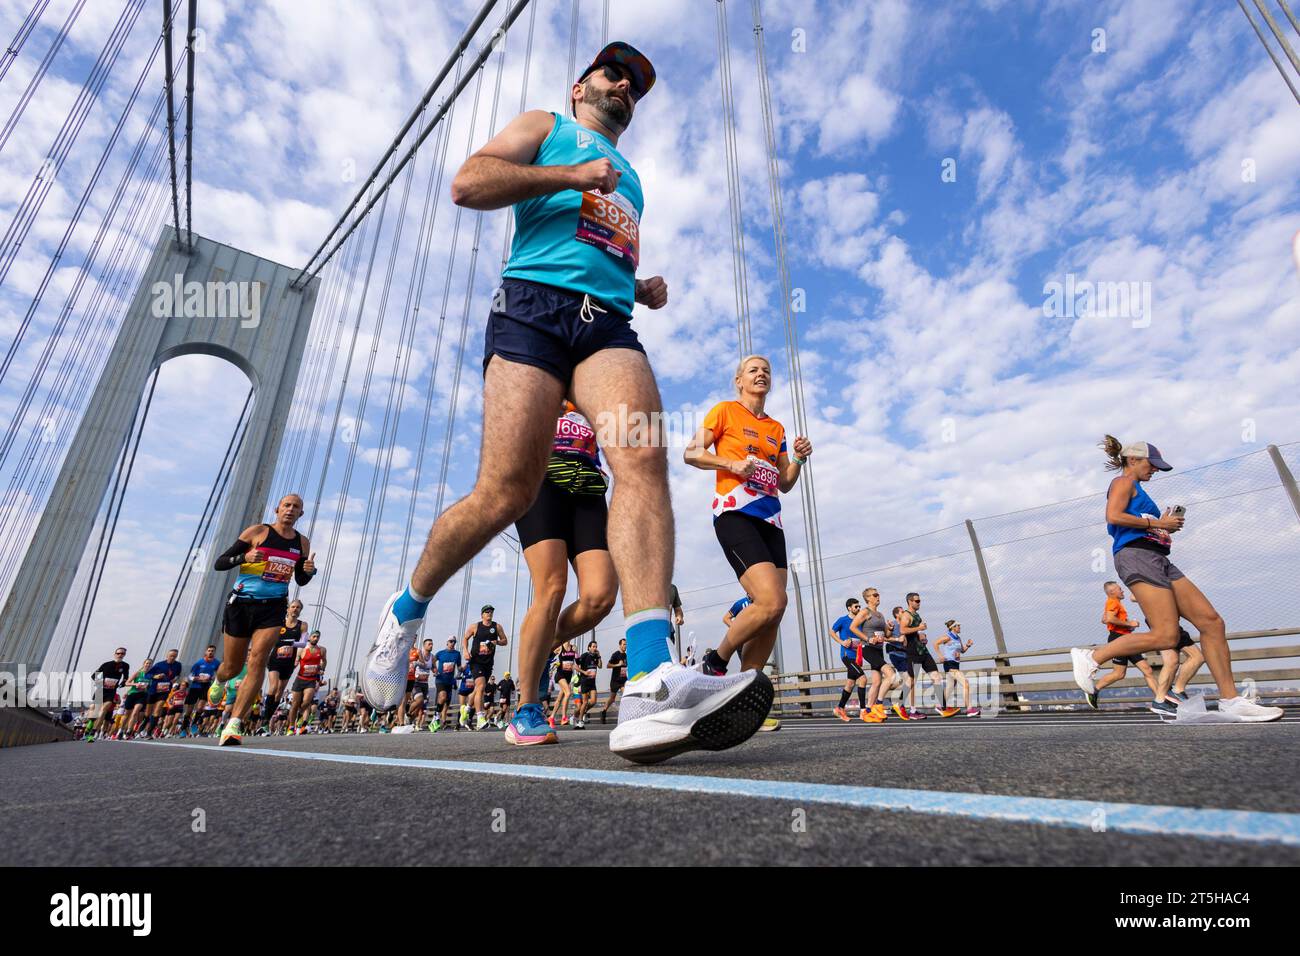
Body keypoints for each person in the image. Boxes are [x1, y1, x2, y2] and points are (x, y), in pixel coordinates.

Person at [361, 42, 769, 764]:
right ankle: (407, 610)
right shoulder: (545, 124)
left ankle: (648, 678)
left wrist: (636, 287)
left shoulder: (633, 179)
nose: (624, 87)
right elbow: (468, 183)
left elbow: (597, 244)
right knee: (504, 491)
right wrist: (569, 171)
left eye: (636, 86)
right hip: (529, 311)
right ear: (580, 86)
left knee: (641, 457)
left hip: (608, 326)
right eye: (613, 74)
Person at [1071, 438, 1281, 721]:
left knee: (1211, 622)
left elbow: (1139, 523)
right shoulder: (1123, 484)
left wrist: (1163, 530)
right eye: (1151, 465)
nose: (1154, 470)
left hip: (1156, 557)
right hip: (1137, 558)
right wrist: (1158, 523)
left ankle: (1231, 701)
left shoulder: (1139, 490)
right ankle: (1092, 657)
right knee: (1167, 635)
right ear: (1133, 460)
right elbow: (1113, 516)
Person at [685, 355, 810, 737]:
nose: (761, 374)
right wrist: (732, 464)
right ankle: (715, 662)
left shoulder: (777, 427)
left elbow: (786, 482)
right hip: (735, 512)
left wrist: (799, 460)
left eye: (766, 370)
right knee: (770, 601)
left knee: (775, 610)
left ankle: (742, 696)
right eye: (753, 369)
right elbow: (691, 453)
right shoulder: (725, 412)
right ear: (739, 380)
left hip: (771, 520)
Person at [505, 401, 617, 746]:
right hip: (540, 481)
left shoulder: (592, 382)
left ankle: (545, 644)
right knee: (552, 588)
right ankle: (527, 710)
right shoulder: (541, 366)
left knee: (600, 597)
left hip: (586, 486)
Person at [207, 493, 317, 745]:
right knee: (233, 667)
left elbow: (300, 579)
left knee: (257, 659)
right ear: (277, 509)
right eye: (286, 505)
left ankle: (234, 724)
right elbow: (219, 563)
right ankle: (219, 680)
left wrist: (309, 571)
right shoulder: (257, 532)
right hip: (241, 604)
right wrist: (243, 558)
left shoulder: (302, 543)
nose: (290, 510)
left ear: (301, 514)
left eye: (296, 507)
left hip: (273, 607)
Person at [264, 601, 311, 728]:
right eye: (293, 607)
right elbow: (270, 639)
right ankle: (264, 721)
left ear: (300, 610)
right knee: (273, 687)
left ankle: (268, 718)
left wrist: (290, 644)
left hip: (288, 662)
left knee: (279, 691)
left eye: (298, 607)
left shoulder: (303, 625)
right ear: (288, 609)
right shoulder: (280, 623)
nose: (295, 609)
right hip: (275, 660)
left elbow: (302, 643)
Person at [848, 587, 891, 722]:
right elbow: (853, 627)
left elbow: (887, 635)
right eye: (875, 595)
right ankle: (878, 705)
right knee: (891, 674)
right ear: (868, 598)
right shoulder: (865, 612)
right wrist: (867, 638)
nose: (878, 597)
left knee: (877, 682)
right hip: (868, 648)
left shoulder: (880, 615)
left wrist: (890, 628)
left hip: (879, 649)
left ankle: (867, 712)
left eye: (878, 594)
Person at [462, 605, 508, 730]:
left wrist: (496, 642)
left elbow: (505, 641)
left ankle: (466, 709)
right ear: (482, 614)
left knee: (478, 689)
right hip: (476, 661)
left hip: (488, 663)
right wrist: (466, 651)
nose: (489, 614)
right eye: (487, 612)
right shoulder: (475, 626)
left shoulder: (496, 626)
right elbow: (465, 638)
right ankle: (480, 718)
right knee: (481, 686)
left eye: (491, 612)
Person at [829, 597, 868, 722]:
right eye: (856, 607)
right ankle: (863, 711)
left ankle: (839, 708)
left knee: (850, 684)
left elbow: (863, 636)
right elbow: (831, 631)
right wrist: (841, 642)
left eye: (859, 606)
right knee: (863, 679)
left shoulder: (860, 622)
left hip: (857, 656)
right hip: (847, 655)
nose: (858, 608)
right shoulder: (843, 620)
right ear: (849, 608)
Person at [933, 621, 979, 716]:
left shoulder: (958, 638)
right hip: (949, 664)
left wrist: (968, 645)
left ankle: (939, 705)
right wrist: (940, 656)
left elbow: (962, 650)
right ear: (953, 627)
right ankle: (969, 709)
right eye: (958, 626)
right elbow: (935, 644)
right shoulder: (947, 636)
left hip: (956, 664)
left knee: (950, 686)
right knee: (965, 683)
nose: (959, 627)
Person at [87, 648, 129, 742]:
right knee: (94, 710)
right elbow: (94, 675)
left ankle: (92, 733)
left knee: (103, 711)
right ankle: (90, 722)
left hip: (111, 691)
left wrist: (121, 684)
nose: (120, 655)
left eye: (123, 654)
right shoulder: (106, 664)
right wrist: (100, 682)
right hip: (100, 690)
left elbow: (126, 678)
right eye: (118, 653)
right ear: (115, 654)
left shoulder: (125, 666)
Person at [287, 631, 326, 732]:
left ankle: (300, 717)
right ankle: (291, 727)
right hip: (300, 679)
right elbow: (296, 662)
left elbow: (324, 661)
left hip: (311, 681)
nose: (316, 638)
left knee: (306, 702)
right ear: (309, 638)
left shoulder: (321, 650)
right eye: (314, 636)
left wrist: (322, 669)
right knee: (295, 704)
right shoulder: (302, 650)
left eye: (318, 637)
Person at [181, 645, 220, 737]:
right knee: (189, 710)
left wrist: (212, 678)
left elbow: (218, 674)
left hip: (206, 687)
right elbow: (190, 676)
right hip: (195, 687)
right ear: (206, 652)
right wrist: (197, 678)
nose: (210, 652)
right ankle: (183, 728)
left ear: (214, 652)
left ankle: (194, 724)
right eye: (209, 650)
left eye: (212, 651)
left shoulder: (216, 663)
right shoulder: (199, 663)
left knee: (200, 708)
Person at [431, 637, 461, 732]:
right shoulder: (440, 653)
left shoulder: (457, 654)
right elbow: (432, 662)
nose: (452, 643)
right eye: (451, 641)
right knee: (443, 697)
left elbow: (459, 667)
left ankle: (441, 721)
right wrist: (435, 670)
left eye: (454, 642)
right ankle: (436, 717)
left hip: (450, 681)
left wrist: (459, 673)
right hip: (440, 680)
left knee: (446, 702)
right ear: (447, 642)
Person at [575, 639, 602, 729]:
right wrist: (584, 672)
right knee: (585, 702)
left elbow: (600, 666)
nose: (595, 648)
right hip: (585, 681)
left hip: (592, 682)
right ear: (589, 647)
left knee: (593, 701)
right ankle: (580, 721)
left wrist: (599, 656)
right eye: (593, 646)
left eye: (596, 647)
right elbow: (575, 666)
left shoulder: (596, 656)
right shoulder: (585, 655)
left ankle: (582, 712)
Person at [600, 637, 628, 723]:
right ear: (620, 645)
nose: (625, 646)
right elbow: (608, 665)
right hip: (615, 680)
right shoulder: (616, 654)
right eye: (623, 644)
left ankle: (625, 715)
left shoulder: (627, 655)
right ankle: (604, 711)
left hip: (623, 680)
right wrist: (617, 665)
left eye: (626, 644)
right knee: (612, 699)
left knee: (626, 695)